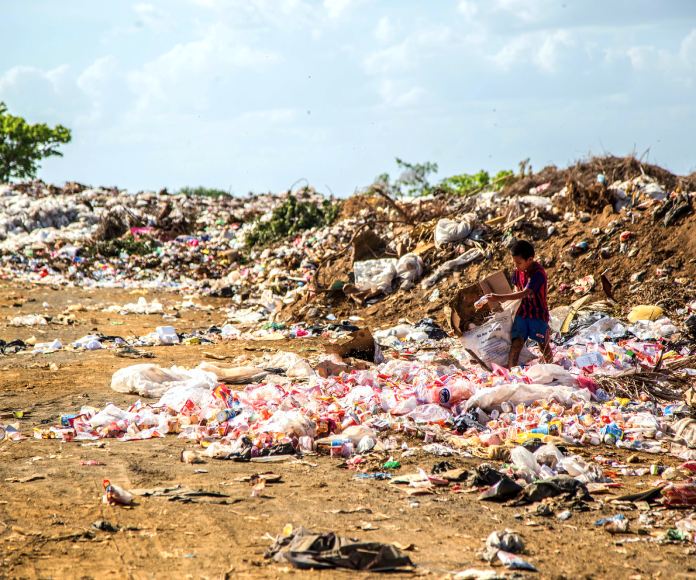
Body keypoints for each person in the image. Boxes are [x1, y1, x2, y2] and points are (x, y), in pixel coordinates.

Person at [481, 240, 552, 368]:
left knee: (543, 345)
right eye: (514, 262)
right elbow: (516, 290)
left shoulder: (538, 274)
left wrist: (498, 297)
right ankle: (512, 373)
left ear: (530, 259)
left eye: (519, 263)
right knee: (516, 343)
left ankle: (553, 369)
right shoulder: (517, 271)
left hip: (537, 314)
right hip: (522, 312)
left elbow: (524, 293)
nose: (516, 266)